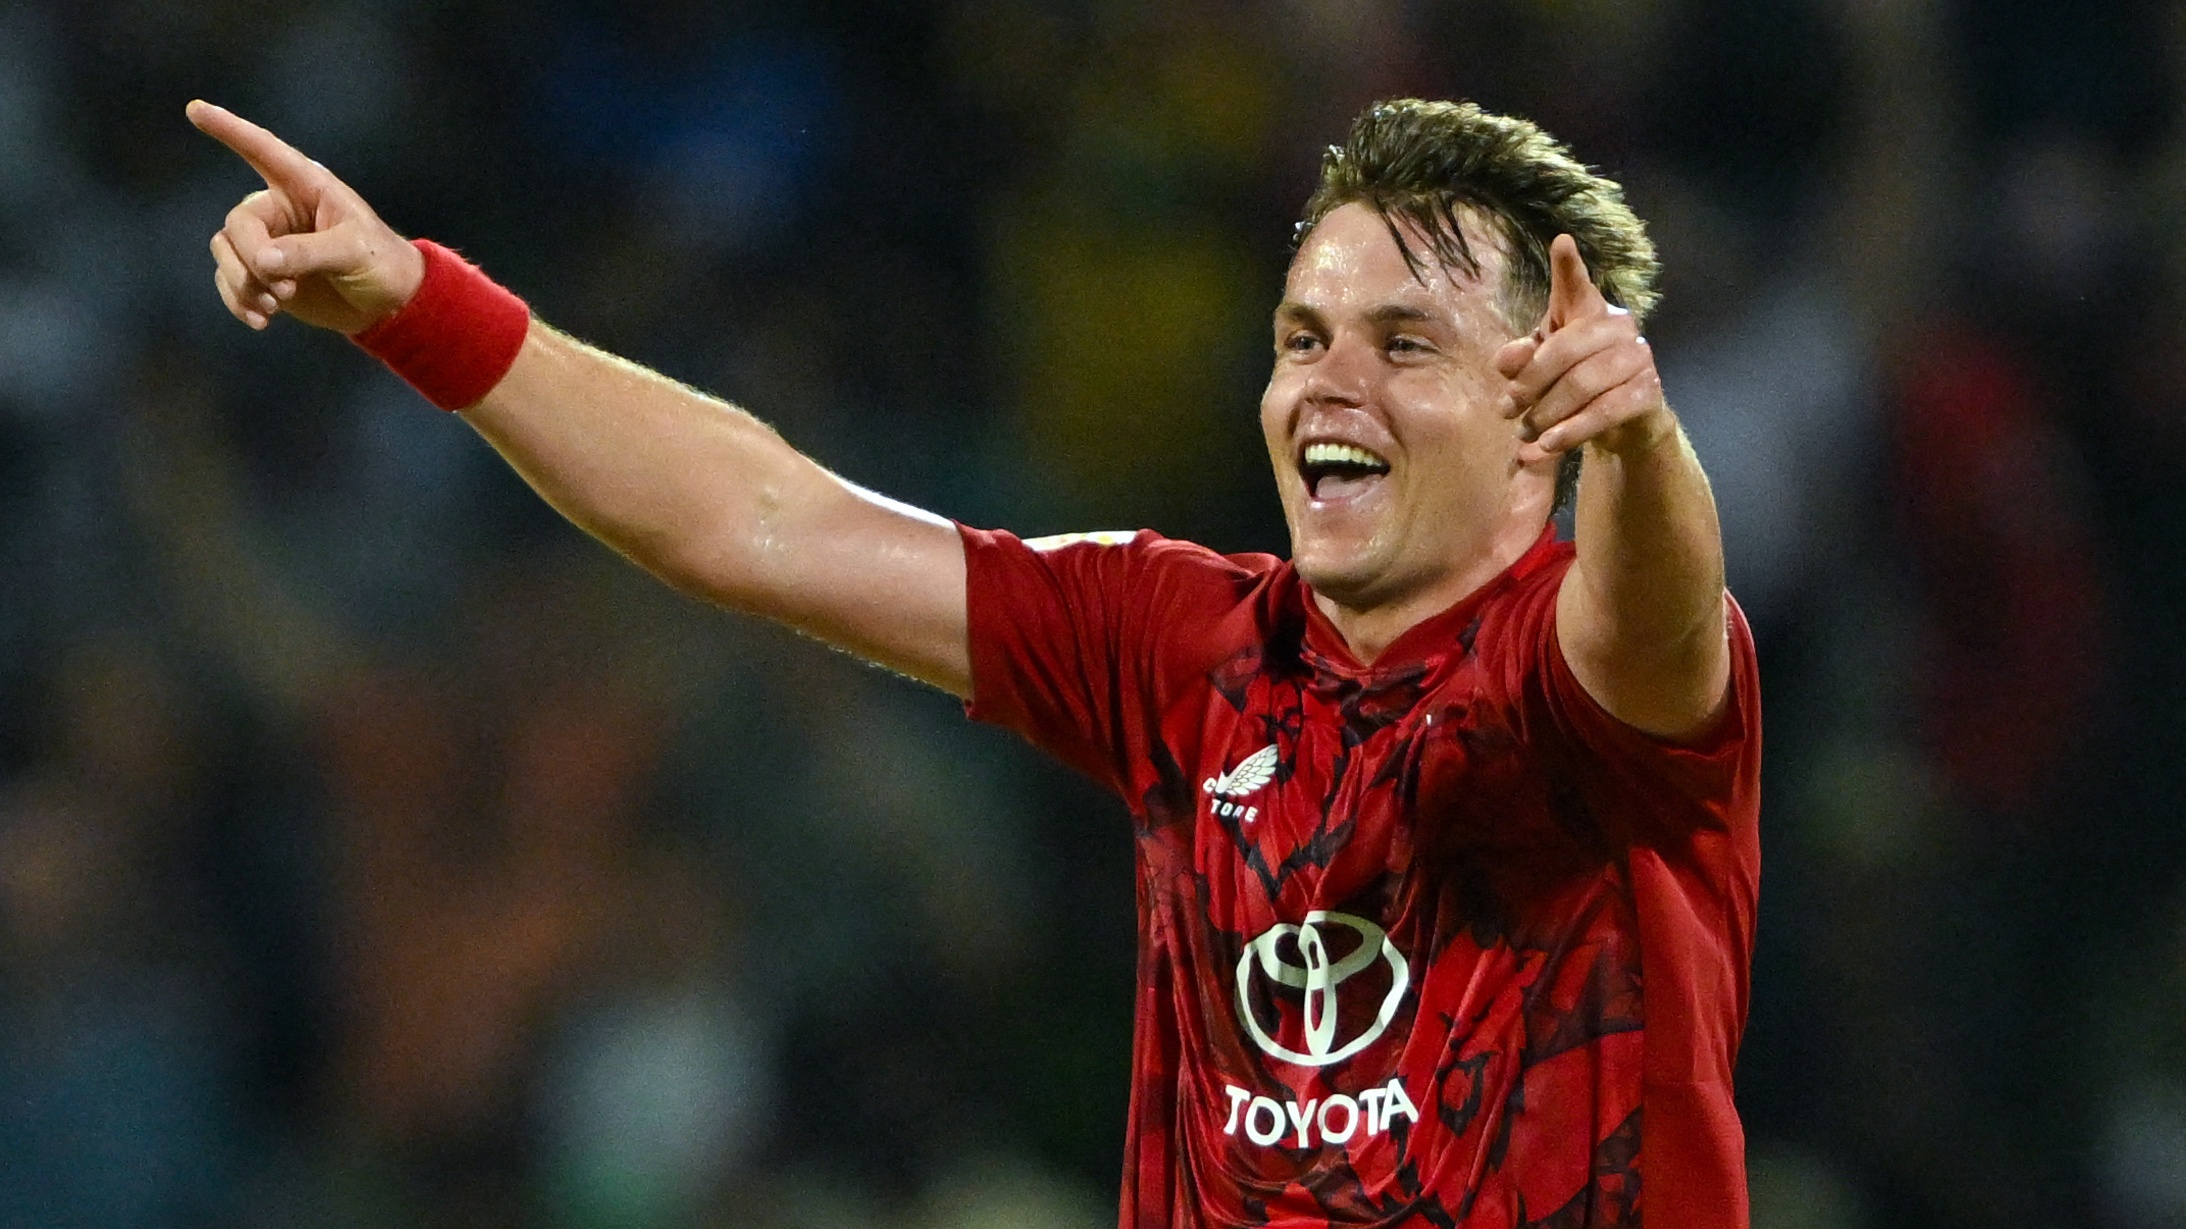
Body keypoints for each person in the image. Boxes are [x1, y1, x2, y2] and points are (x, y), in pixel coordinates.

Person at [190, 94, 1758, 1228]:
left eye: (1401, 344)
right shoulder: (1180, 642)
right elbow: (761, 521)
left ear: (1537, 412)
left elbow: (1650, 611)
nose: (1323, 385)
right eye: (1298, 337)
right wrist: (416, 306)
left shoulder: (1594, 685)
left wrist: (1634, 440)